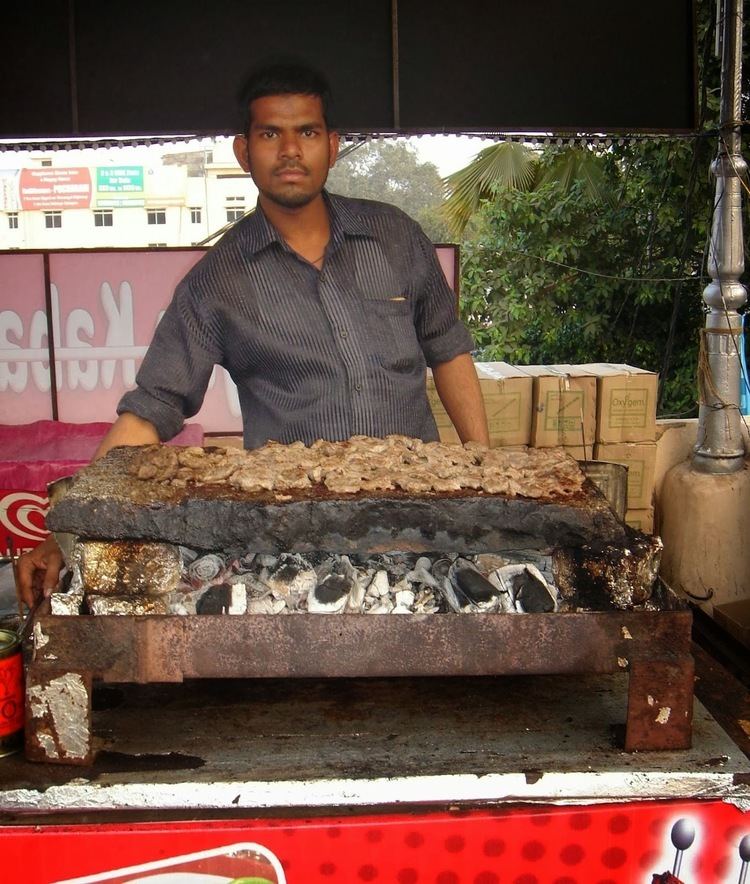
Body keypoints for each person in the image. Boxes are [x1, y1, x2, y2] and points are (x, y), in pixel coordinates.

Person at [17, 62, 489, 607]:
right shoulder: (215, 284)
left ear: (333, 145)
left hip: (423, 528)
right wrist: (66, 534)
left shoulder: (395, 237)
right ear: (244, 152)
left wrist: (485, 468)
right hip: (297, 548)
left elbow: (448, 348)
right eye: (271, 134)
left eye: (307, 132)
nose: (291, 150)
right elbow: (150, 410)